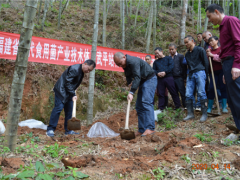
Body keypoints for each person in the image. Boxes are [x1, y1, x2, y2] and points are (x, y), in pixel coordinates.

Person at [206, 4, 240, 132]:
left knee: (238, 96)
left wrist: (237, 65)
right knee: (232, 100)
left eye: (209, 16)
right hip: (226, 64)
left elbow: (239, 43)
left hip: (234, 62)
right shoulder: (222, 27)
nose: (209, 20)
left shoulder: (231, 20)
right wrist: (226, 71)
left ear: (216, 12)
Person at [46, 60, 96, 137]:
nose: (88, 71)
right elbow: (67, 83)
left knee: (69, 110)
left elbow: (73, 83)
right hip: (61, 91)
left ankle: (68, 130)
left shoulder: (81, 71)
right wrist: (73, 93)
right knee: (58, 109)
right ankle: (50, 129)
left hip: (69, 92)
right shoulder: (75, 69)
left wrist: (73, 92)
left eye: (90, 71)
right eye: (88, 69)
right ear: (85, 64)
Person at [114, 52, 157, 136]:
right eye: (118, 65)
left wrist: (131, 92)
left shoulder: (133, 61)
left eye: (120, 63)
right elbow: (128, 76)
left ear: (124, 57)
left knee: (146, 102)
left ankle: (150, 128)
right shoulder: (125, 65)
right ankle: (142, 129)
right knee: (139, 106)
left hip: (150, 79)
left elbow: (137, 77)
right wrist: (130, 82)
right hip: (142, 82)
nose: (120, 66)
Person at [183, 35, 209, 122]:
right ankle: (190, 114)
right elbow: (188, 66)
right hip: (190, 74)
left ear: (192, 41)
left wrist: (206, 75)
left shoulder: (200, 50)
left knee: (201, 93)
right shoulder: (187, 54)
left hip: (200, 72)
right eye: (185, 43)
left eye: (187, 42)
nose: (186, 44)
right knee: (188, 94)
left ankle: (204, 114)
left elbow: (205, 62)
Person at [206, 36, 228, 113]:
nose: (211, 43)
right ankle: (209, 107)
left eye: (212, 41)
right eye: (209, 42)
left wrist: (213, 56)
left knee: (223, 87)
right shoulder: (209, 51)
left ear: (217, 40)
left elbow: (222, 58)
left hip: (222, 71)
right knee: (212, 88)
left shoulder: (221, 49)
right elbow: (207, 62)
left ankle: (224, 106)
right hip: (213, 72)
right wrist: (208, 54)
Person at [169, 43, 187, 108]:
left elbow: (184, 67)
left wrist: (184, 77)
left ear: (176, 49)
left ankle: (185, 106)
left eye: (172, 49)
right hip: (171, 78)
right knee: (174, 93)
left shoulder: (180, 56)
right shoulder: (168, 58)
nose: (171, 51)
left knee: (182, 92)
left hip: (179, 77)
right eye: (170, 49)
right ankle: (178, 106)